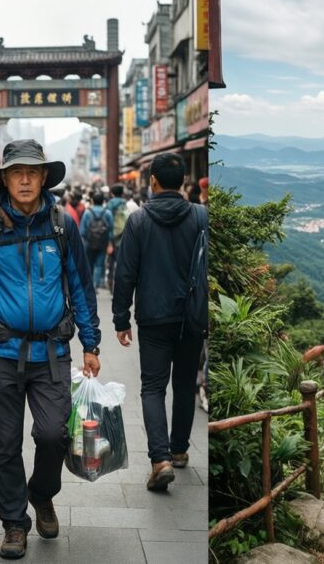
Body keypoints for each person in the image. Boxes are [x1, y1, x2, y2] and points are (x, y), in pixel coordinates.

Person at [0, 139, 101, 560]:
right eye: (16, 172)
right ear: (4, 179)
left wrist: (91, 342)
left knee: (54, 434)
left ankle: (42, 493)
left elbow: (81, 287)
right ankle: (14, 524)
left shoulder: (62, 225)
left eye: (32, 172)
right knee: (7, 443)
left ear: (44, 177)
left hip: (52, 351)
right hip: (1, 352)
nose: (24, 180)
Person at [112, 153, 208, 491]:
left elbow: (125, 273)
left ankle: (160, 459)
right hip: (192, 316)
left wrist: (120, 318)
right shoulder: (200, 216)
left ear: (152, 180)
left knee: (153, 387)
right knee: (184, 383)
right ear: (182, 182)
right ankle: (179, 450)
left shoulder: (138, 221)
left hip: (153, 316)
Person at [79, 191, 114, 289]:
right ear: (103, 201)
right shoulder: (107, 213)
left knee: (89, 264)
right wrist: (109, 243)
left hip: (89, 243)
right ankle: (96, 285)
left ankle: (90, 285)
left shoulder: (87, 213)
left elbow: (82, 231)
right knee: (99, 265)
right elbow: (111, 230)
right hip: (103, 243)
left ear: (92, 201)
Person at [105, 184, 129, 292]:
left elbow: (106, 222)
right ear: (122, 193)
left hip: (111, 236)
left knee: (110, 261)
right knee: (121, 262)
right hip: (123, 236)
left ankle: (110, 282)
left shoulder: (109, 204)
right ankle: (120, 284)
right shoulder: (125, 204)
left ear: (112, 193)